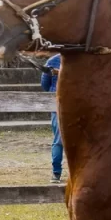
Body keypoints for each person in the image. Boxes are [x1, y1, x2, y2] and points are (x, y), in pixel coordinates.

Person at [41, 54, 63, 183]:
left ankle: (56, 173)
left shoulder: (52, 60)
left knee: (58, 139)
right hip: (77, 102)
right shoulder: (81, 57)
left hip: (57, 102)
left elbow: (45, 84)